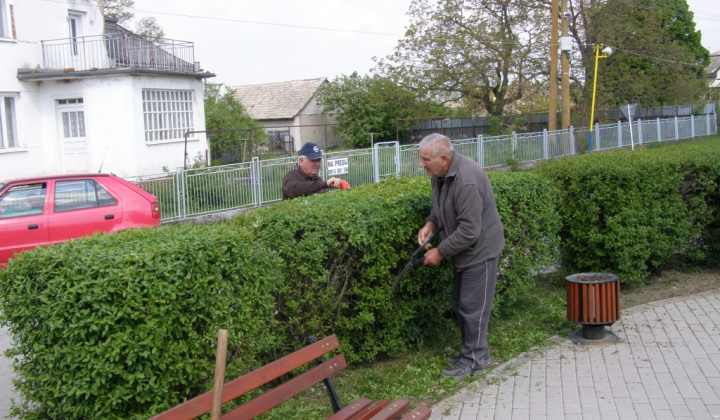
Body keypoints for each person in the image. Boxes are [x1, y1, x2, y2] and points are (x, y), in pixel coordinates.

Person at [416, 133, 505, 379]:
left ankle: (473, 360)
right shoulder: (441, 175)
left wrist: (440, 252)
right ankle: (475, 352)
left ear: (443, 158)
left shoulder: (467, 179)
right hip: (465, 251)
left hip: (481, 251)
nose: (421, 165)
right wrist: (430, 224)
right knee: (461, 304)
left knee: (473, 309)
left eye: (425, 160)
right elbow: (441, 206)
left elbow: (470, 230)